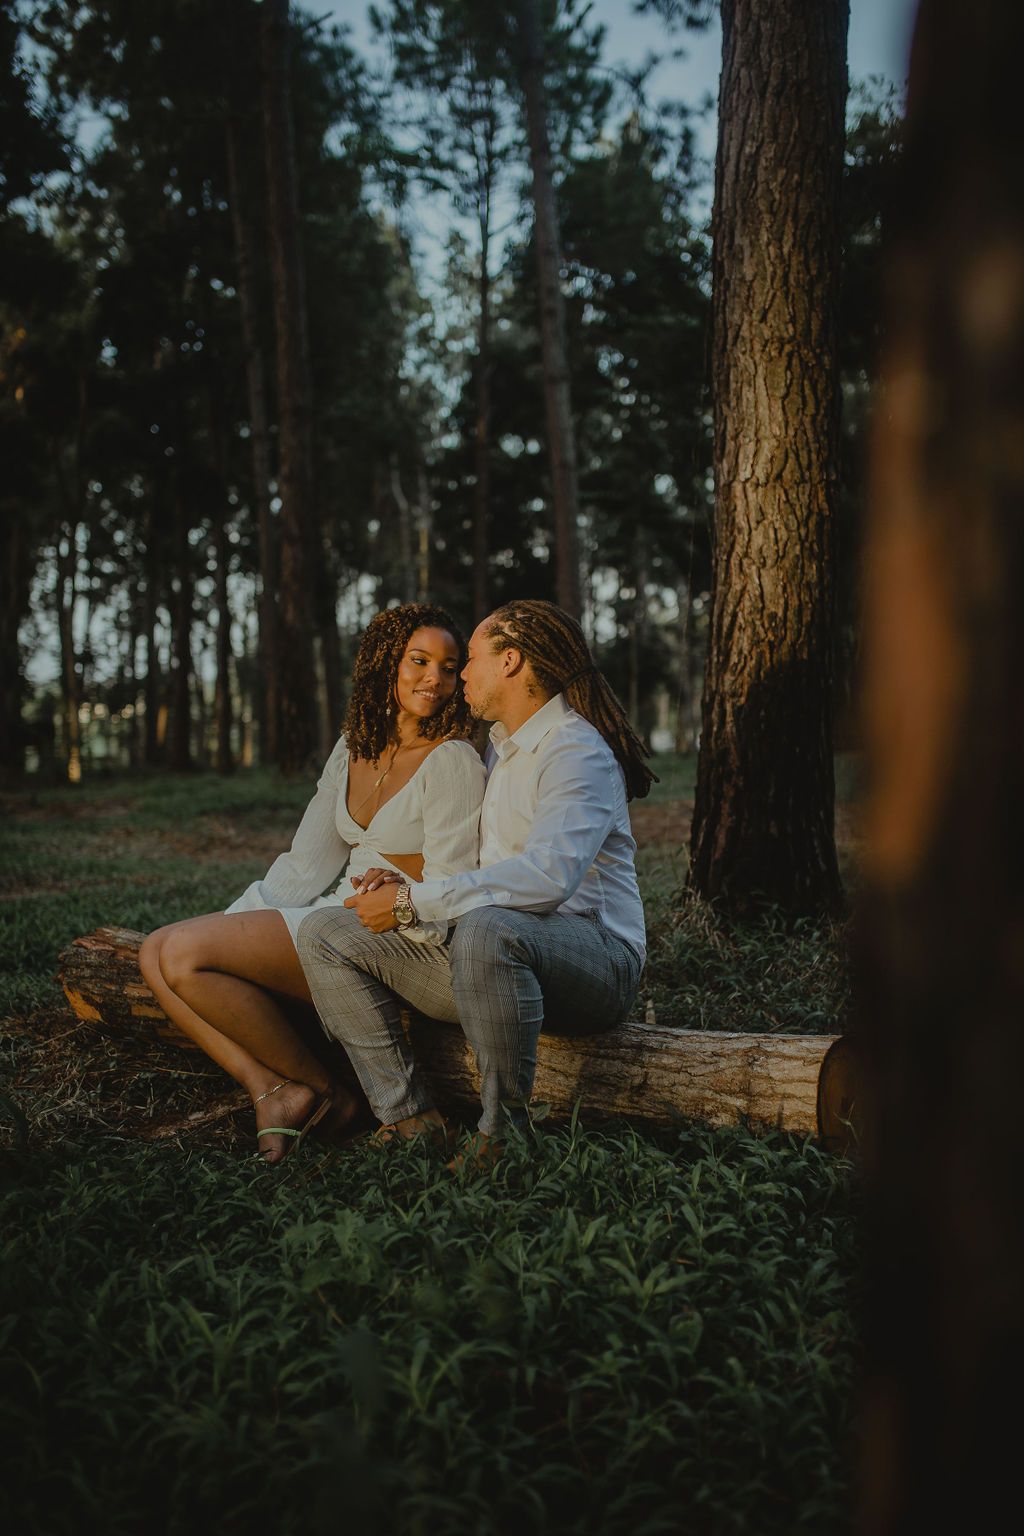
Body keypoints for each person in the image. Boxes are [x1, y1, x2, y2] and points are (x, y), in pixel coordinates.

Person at [296, 598, 654, 1161]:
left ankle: (503, 1135)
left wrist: (415, 903)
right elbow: (483, 865)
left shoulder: (575, 750)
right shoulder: (499, 750)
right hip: (491, 952)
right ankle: (410, 1117)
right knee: (323, 931)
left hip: (595, 960)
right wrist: (396, 878)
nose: (459, 674)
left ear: (510, 662)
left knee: (490, 926)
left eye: (471, 659)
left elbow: (547, 877)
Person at [138, 604, 485, 1162]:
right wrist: (234, 925)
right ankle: (273, 1089)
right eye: (419, 661)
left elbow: (452, 882)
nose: (435, 679)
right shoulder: (353, 745)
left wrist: (396, 880)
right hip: (330, 906)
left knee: (181, 956)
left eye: (449, 667)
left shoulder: (454, 760)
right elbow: (305, 865)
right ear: (385, 663)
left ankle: (328, 1097)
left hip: (389, 932)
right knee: (156, 951)